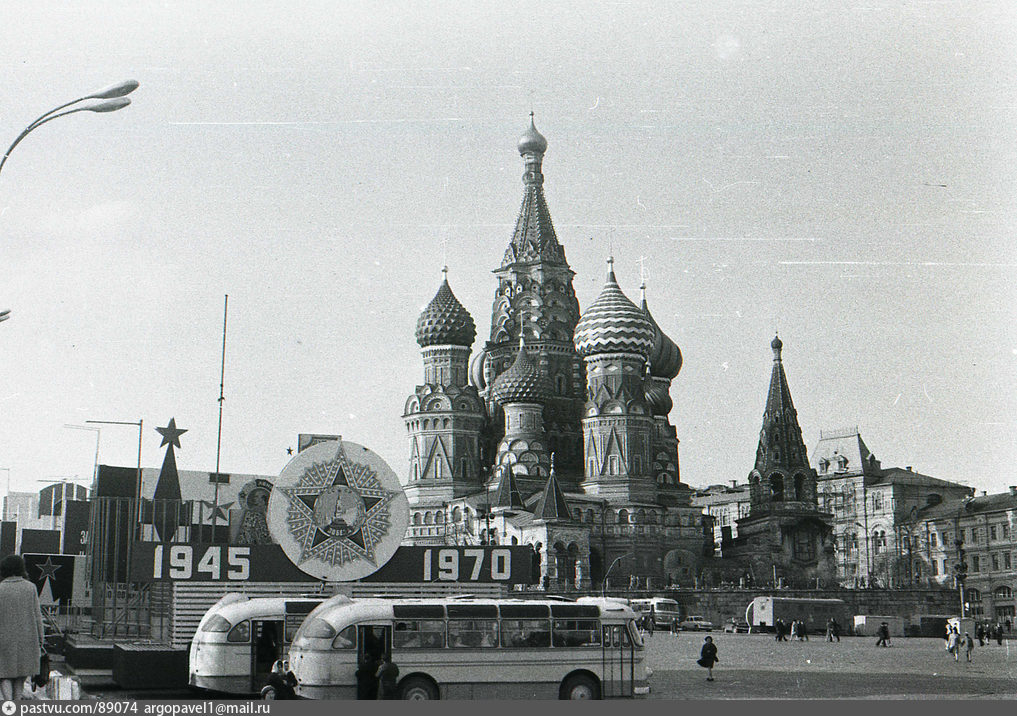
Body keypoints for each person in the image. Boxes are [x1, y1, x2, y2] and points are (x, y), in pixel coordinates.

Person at [0, 555, 45, 702]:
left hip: (4, 639)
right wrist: (41, 638)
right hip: (26, 639)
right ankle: (17, 701)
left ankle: (8, 704)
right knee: (21, 673)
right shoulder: (30, 588)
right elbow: (38, 616)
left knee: (4, 674)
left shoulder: (1, 588)